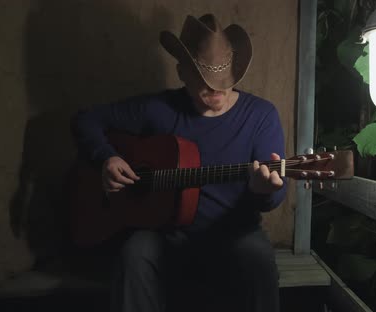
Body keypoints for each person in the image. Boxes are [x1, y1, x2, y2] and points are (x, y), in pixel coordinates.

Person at [71, 14, 286, 312]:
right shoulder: (159, 108)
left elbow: (274, 195)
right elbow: (87, 120)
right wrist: (107, 157)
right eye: (205, 81)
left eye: (223, 80)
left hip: (235, 234)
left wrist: (265, 190)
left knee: (259, 259)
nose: (216, 90)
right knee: (135, 253)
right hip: (164, 232)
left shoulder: (261, 116)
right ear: (182, 72)